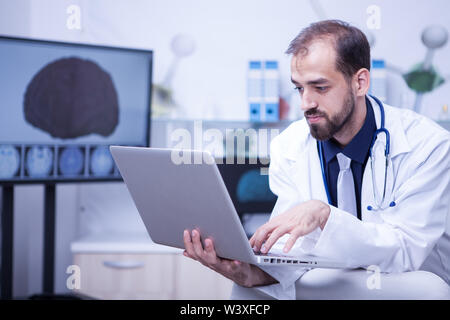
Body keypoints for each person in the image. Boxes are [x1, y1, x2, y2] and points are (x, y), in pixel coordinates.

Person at [182, 20, 450, 299]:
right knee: (246, 292)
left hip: (406, 279)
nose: (305, 103)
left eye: (319, 87)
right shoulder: (288, 145)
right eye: (299, 88)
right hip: (331, 274)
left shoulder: (427, 145)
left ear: (360, 82)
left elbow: (406, 251)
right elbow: (292, 251)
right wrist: (251, 274)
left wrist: (326, 217)